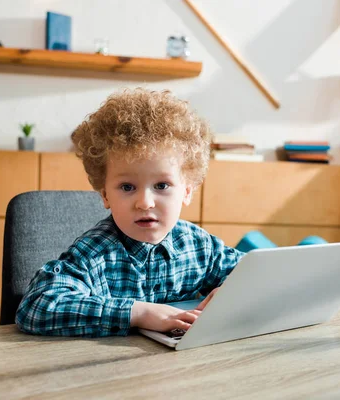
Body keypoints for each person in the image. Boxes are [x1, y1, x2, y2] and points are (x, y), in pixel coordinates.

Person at [15, 88, 244, 337]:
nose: (145, 202)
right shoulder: (94, 253)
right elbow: (36, 307)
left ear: (187, 191)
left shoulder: (199, 246)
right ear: (105, 195)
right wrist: (138, 313)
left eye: (162, 186)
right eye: (127, 187)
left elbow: (254, 273)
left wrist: (232, 291)